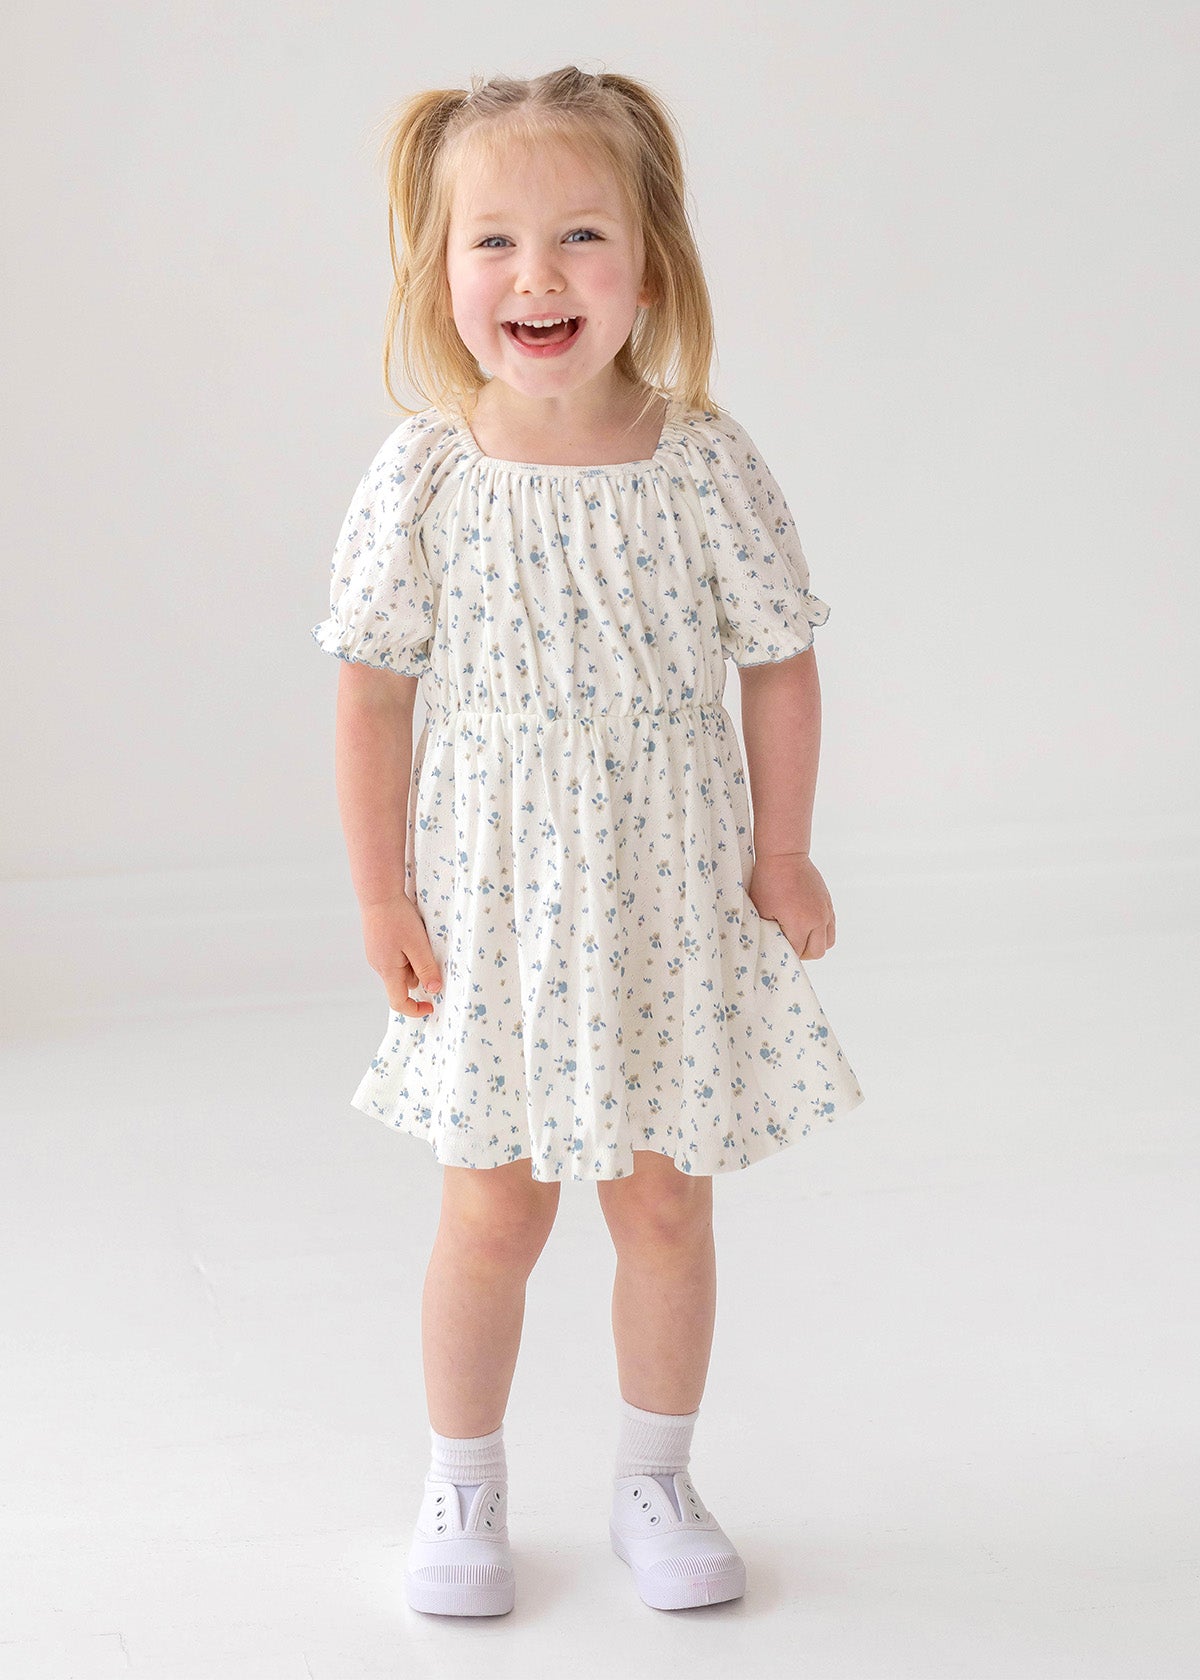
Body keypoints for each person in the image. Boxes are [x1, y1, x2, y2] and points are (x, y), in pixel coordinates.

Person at [310, 64, 866, 1618]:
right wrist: (381, 893)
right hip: (493, 899)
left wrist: (786, 849)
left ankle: (656, 1472)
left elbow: (778, 658)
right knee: (491, 1203)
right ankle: (464, 1476)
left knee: (666, 1198)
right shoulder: (424, 472)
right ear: (438, 270)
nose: (536, 278)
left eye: (577, 238)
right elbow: (370, 697)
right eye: (492, 244)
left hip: (666, 889)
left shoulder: (700, 459)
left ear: (651, 260)